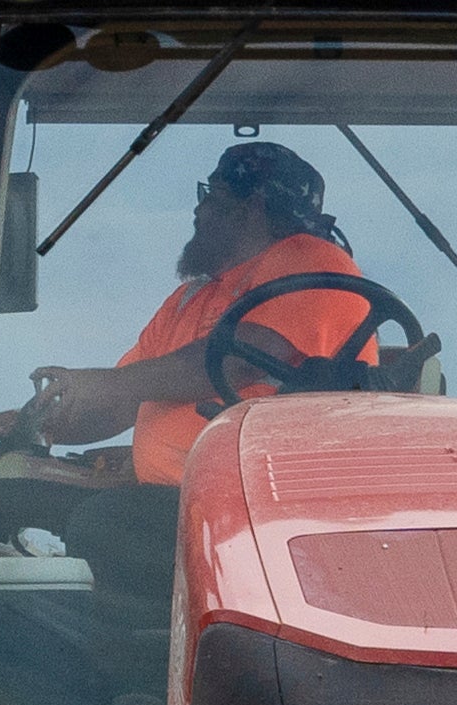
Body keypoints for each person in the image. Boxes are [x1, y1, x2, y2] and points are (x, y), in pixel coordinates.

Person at [23, 142, 378, 482]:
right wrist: (27, 421)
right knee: (30, 496)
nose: (198, 210)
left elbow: (238, 360)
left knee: (98, 524)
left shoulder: (314, 264)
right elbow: (123, 397)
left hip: (254, 503)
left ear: (250, 209)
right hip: (173, 495)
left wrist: (106, 382)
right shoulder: (191, 297)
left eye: (211, 196)